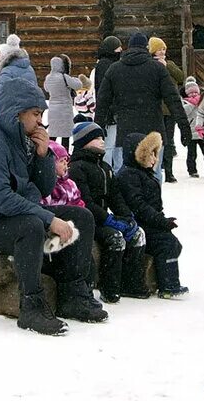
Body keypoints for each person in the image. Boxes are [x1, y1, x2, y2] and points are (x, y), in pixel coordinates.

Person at [0, 36, 106, 335]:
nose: (41, 121)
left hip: (15, 215)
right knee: (31, 226)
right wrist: (49, 218)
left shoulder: (24, 140)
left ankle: (73, 293)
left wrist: (42, 156)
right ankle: (31, 305)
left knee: (82, 216)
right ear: (17, 112)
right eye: (36, 114)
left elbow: (43, 189)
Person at [66, 121, 150, 303]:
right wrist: (108, 220)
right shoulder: (77, 167)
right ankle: (109, 287)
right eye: (96, 138)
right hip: (89, 222)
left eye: (102, 137)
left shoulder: (105, 168)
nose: (102, 141)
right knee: (115, 238)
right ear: (84, 141)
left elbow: (115, 197)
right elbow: (85, 201)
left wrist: (127, 216)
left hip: (104, 218)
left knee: (138, 234)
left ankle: (131, 283)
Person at [95, 31, 191, 183]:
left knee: (123, 172)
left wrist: (98, 128)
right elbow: (173, 100)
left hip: (126, 130)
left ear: (128, 47)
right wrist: (184, 127)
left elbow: (102, 102)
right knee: (154, 173)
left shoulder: (115, 69)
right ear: (146, 47)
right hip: (153, 129)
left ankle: (127, 204)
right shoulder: (158, 69)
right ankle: (153, 205)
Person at [116, 131, 189, 299]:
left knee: (172, 243)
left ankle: (164, 280)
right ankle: (169, 285)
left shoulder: (142, 174)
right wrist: (161, 221)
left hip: (149, 222)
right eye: (150, 155)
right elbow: (139, 206)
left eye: (156, 155)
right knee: (168, 244)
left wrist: (161, 221)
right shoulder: (129, 175)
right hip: (137, 224)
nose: (154, 159)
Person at [150, 36, 185, 182]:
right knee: (155, 141)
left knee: (168, 141)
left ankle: (169, 171)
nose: (162, 51)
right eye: (159, 49)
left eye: (164, 49)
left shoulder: (170, 64)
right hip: (155, 110)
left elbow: (181, 76)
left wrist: (167, 66)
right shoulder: (149, 65)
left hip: (169, 110)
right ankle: (155, 167)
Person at [93, 35, 124, 171]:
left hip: (112, 111)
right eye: (118, 48)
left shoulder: (108, 64)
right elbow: (104, 91)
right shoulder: (105, 65)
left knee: (117, 146)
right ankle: (108, 172)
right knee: (110, 146)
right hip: (110, 113)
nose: (120, 50)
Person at [44, 54, 81, 150]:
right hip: (65, 110)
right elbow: (78, 85)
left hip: (53, 110)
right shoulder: (64, 77)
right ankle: (65, 154)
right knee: (65, 135)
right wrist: (75, 79)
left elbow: (46, 88)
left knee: (53, 134)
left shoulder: (48, 77)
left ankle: (51, 153)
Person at [40, 143, 85, 207]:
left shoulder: (71, 184)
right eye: (61, 161)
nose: (65, 163)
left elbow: (77, 201)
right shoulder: (46, 186)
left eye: (66, 159)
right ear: (50, 164)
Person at [182, 76, 204, 177]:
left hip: (201, 130)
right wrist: (191, 104)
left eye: (195, 92)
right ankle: (192, 170)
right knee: (192, 154)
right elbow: (183, 113)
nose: (193, 95)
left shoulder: (202, 101)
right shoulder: (184, 102)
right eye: (191, 93)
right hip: (191, 131)